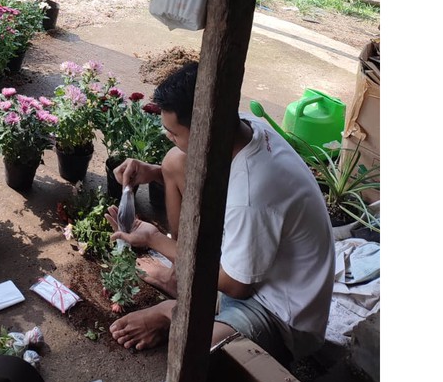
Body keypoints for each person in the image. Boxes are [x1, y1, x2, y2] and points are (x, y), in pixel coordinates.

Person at [108, 61, 335, 364]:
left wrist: (154, 239)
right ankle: (183, 280)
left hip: (279, 314)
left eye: (173, 132)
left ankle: (174, 311)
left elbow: (237, 287)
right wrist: (151, 173)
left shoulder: (253, 194)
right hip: (249, 265)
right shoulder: (237, 125)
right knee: (175, 161)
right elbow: (197, 173)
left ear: (205, 127)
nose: (167, 136)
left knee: (196, 355)